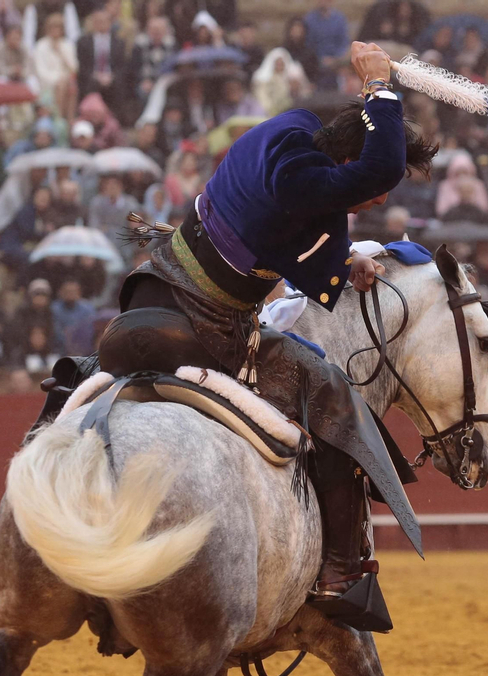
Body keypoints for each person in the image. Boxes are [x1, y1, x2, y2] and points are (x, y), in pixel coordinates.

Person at [61, 42, 434, 631]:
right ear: (344, 163)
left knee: (72, 386)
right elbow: (373, 171)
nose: (383, 199)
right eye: (376, 193)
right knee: (333, 393)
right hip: (210, 333)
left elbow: (294, 232)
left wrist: (346, 261)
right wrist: (380, 87)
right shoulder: (308, 181)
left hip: (145, 301)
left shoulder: (285, 132)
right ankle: (341, 569)